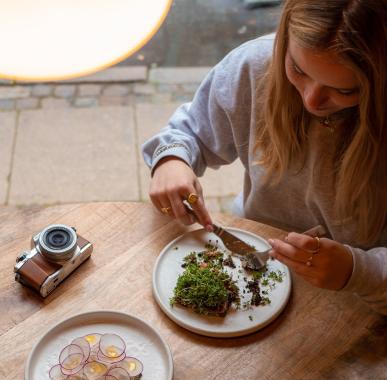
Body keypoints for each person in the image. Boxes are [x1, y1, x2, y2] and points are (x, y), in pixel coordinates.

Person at [142, 0, 387, 314]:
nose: (312, 100)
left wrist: (358, 271)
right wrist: (171, 160)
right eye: (298, 70)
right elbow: (188, 131)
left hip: (357, 298)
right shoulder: (255, 67)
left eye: (344, 91)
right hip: (254, 248)